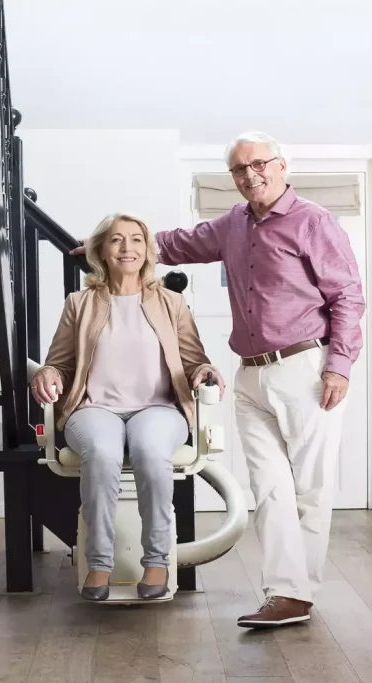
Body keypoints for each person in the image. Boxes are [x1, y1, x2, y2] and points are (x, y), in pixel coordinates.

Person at [71, 132, 365, 626]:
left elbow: (348, 297)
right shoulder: (233, 224)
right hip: (250, 374)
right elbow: (176, 244)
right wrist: (104, 246)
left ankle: (299, 592)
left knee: (311, 488)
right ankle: (284, 593)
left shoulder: (313, 221)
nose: (250, 175)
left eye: (259, 165)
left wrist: (339, 365)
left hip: (305, 369)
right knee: (268, 488)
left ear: (281, 165)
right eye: (239, 170)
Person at [32, 213, 223, 602]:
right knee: (101, 452)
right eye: (117, 240)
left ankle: (156, 562)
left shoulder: (171, 303)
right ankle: (98, 564)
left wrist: (205, 370)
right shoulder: (79, 303)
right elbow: (61, 362)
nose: (127, 248)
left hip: (158, 408)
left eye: (136, 240)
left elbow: (192, 360)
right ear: (101, 250)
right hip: (94, 409)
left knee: (151, 451)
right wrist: (47, 373)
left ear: (148, 250)